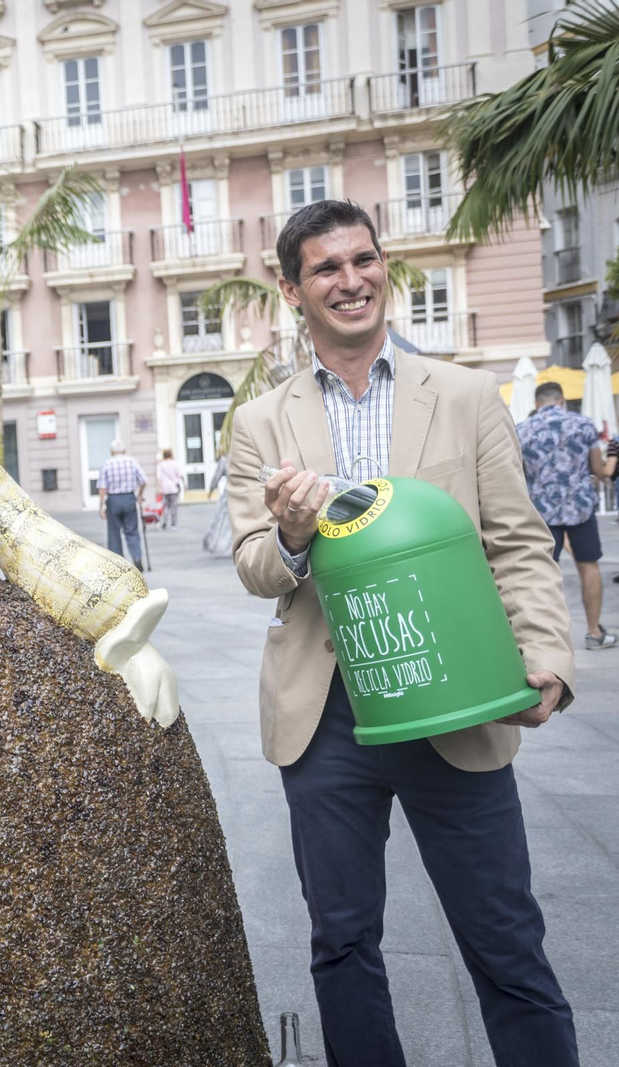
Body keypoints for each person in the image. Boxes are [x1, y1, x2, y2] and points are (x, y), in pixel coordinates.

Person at [228, 199, 578, 1067]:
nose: (352, 281)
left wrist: (545, 663)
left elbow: (520, 542)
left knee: (505, 944)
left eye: (363, 259)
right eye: (326, 268)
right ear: (292, 290)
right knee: (342, 944)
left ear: (383, 266)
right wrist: (292, 535)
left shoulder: (461, 395)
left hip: (453, 698)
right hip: (328, 719)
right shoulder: (260, 422)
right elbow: (253, 567)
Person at [518, 382, 611, 647]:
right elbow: (598, 469)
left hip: (542, 511)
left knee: (542, 572)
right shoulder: (583, 424)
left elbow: (519, 472)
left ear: (537, 404)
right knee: (588, 566)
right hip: (579, 507)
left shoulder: (522, 430)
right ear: (561, 400)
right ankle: (594, 633)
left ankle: (547, 639)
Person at [97, 439, 147, 569]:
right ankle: (137, 557)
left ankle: (118, 564)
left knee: (114, 533)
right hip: (129, 498)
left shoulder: (107, 464)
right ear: (124, 450)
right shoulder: (132, 461)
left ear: (111, 451)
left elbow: (102, 487)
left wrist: (101, 506)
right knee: (132, 531)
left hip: (113, 500)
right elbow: (143, 480)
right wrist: (140, 495)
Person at [156, 448, 184, 529]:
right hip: (173, 487)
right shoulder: (175, 463)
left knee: (166, 506)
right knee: (174, 506)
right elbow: (180, 475)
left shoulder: (160, 465)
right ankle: (174, 524)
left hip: (165, 488)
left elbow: (159, 478)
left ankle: (165, 521)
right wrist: (184, 484)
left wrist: (160, 488)